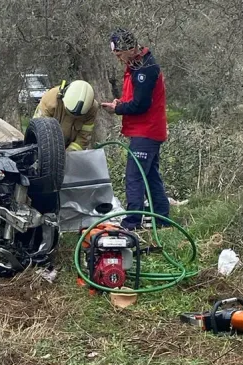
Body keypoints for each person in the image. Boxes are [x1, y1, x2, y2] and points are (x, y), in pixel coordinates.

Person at [100, 28, 170, 230]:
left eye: (119, 54)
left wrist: (118, 109)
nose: (118, 58)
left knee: (134, 176)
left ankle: (131, 223)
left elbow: (141, 105)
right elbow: (136, 98)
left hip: (146, 131)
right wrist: (121, 102)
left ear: (130, 49)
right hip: (146, 130)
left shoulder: (145, 69)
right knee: (150, 175)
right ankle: (162, 218)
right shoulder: (136, 64)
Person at [33, 79, 99, 152]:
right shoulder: (51, 99)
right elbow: (39, 130)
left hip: (70, 150)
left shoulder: (92, 108)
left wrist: (70, 152)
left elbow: (84, 137)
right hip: (45, 148)